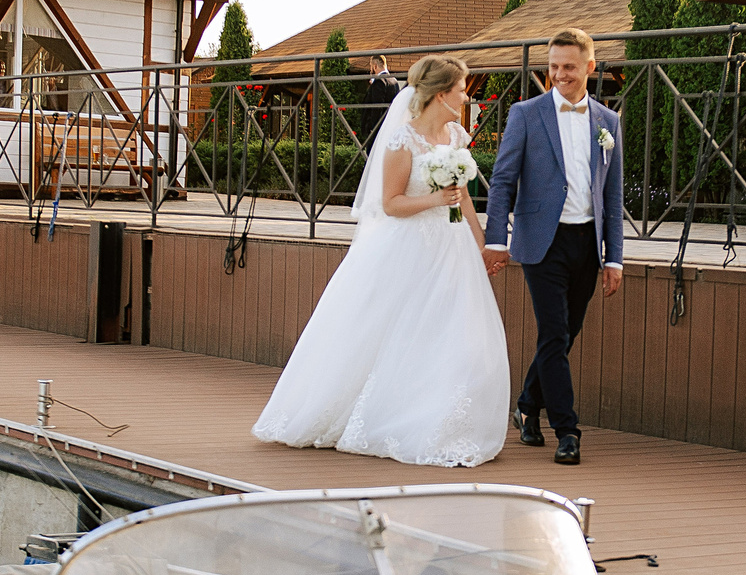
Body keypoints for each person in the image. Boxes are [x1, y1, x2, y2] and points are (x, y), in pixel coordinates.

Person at [253, 55, 509, 467]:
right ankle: (372, 413)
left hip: (452, 244)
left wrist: (483, 246)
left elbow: (464, 201)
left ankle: (440, 416)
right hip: (409, 245)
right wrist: (435, 199)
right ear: (442, 94)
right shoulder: (401, 140)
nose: (466, 95)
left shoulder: (457, 136)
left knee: (453, 331)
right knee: (394, 328)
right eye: (462, 88)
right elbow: (390, 203)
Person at [481, 28, 626, 466]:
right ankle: (567, 430)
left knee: (564, 337)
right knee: (554, 333)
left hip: (587, 244)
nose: (559, 75)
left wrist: (614, 256)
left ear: (590, 67)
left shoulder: (608, 122)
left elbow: (613, 195)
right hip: (541, 242)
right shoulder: (525, 114)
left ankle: (528, 404)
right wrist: (495, 240)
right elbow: (503, 181)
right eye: (554, 67)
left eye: (569, 66)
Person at [356, 51, 401, 148]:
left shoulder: (379, 82)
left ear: (375, 66)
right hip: (390, 126)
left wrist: (373, 129)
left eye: (371, 67)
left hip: (378, 130)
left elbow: (377, 107)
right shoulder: (394, 80)